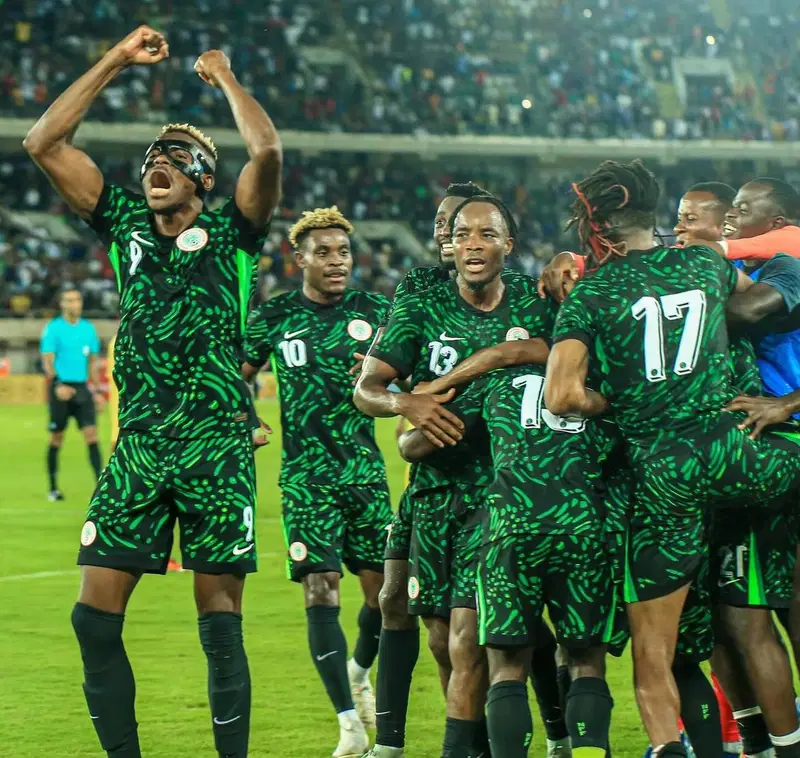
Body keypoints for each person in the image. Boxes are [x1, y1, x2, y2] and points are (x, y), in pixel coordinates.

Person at [24, 25, 281, 758]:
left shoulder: (236, 232)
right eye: (149, 158)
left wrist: (223, 76)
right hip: (138, 447)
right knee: (91, 620)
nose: (157, 164)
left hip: (214, 449)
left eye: (175, 157)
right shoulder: (124, 225)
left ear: (204, 179)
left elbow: (266, 152)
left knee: (220, 626)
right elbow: (43, 142)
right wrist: (114, 58)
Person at [543, 159, 800, 758]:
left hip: (663, 475)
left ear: (596, 224)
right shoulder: (704, 264)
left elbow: (563, 396)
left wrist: (619, 399)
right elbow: (750, 305)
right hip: (738, 449)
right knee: (752, 615)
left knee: (653, 653)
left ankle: (669, 747)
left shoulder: (591, 294)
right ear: (654, 214)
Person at [356, 196, 555, 758]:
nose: (472, 244)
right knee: (443, 640)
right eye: (462, 234)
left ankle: (520, 739)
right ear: (450, 242)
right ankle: (479, 745)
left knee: (473, 638)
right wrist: (407, 404)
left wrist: (499, 358)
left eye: (486, 234)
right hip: (434, 491)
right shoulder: (423, 304)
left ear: (508, 244)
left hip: (505, 492)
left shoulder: (535, 299)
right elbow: (367, 390)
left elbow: (564, 352)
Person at [398, 356, 618, 758]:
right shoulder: (602, 374)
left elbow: (416, 446)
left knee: (508, 668)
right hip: (581, 525)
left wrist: (415, 410)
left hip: (509, 527)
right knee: (586, 662)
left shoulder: (496, 381)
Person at [242, 206, 392, 758]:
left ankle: (358, 670)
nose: (336, 261)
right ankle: (349, 724)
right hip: (306, 479)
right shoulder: (275, 315)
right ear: (298, 259)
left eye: (343, 252)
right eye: (323, 252)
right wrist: (248, 417)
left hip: (365, 474)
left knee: (386, 598)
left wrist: (387, 380)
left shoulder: (376, 312)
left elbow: (415, 373)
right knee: (321, 587)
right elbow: (236, 374)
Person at [40, 287, 102, 500]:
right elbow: (47, 360)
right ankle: (53, 489)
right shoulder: (53, 328)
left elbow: (93, 362)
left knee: (92, 435)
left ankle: (100, 489)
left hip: (82, 388)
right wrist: (57, 384)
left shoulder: (88, 329)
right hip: (61, 387)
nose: (74, 304)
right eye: (69, 300)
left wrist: (98, 390)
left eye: (77, 300)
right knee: (56, 437)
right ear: (62, 304)